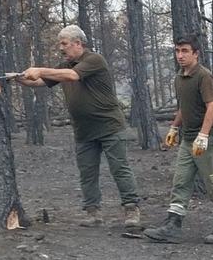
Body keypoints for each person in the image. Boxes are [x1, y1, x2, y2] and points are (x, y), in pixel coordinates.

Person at [17, 25, 141, 230]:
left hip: (109, 127)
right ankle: (93, 213)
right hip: (84, 131)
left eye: (64, 43)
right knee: (87, 172)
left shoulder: (93, 60)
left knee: (120, 169)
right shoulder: (65, 65)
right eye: (60, 44)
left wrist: (40, 69)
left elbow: (72, 76)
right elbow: (40, 82)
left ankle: (131, 210)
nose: (61, 48)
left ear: (78, 43)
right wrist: (19, 78)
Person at [144, 34, 213, 244]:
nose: (180, 55)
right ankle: (173, 226)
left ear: (196, 54)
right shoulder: (179, 78)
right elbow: (184, 106)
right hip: (188, 139)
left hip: (208, 138)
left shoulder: (204, 76)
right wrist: (174, 127)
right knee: (181, 180)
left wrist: (203, 135)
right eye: (177, 51)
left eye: (185, 51)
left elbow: (212, 106)